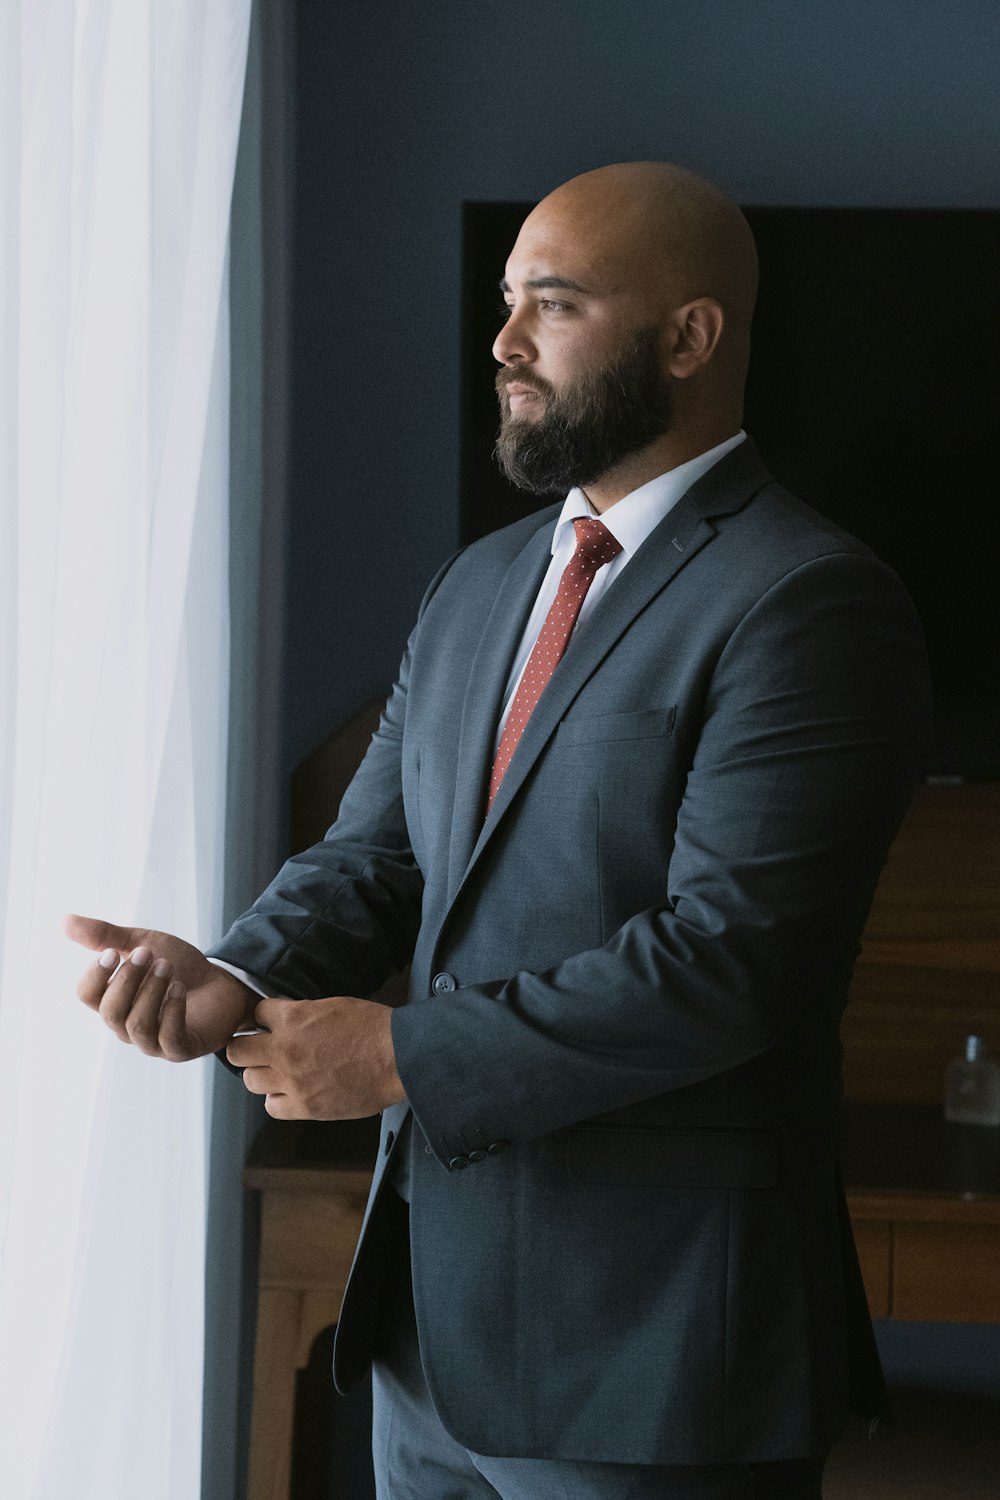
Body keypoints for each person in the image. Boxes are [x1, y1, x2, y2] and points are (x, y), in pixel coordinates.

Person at [67, 162, 932, 1499]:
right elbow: (381, 858)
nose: (504, 343)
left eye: (554, 304)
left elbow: (731, 963)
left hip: (648, 1356)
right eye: (505, 302)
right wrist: (232, 976)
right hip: (426, 1334)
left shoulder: (810, 601)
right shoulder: (479, 585)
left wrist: (402, 1052)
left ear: (689, 337)